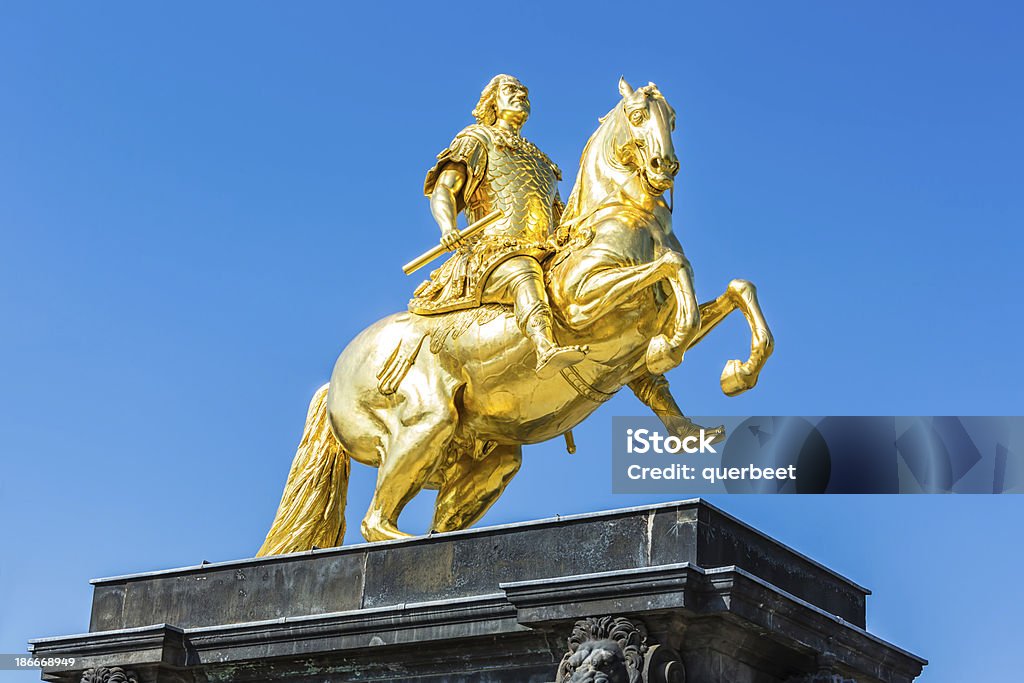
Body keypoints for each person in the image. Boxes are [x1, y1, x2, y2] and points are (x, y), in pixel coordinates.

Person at [410, 74, 587, 378]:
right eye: (510, 90)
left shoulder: (542, 161)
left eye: (523, 91)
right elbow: (445, 189)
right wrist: (448, 226)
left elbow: (558, 217)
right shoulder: (477, 139)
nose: (519, 95)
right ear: (493, 101)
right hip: (492, 253)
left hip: (543, 250)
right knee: (523, 271)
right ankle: (545, 346)